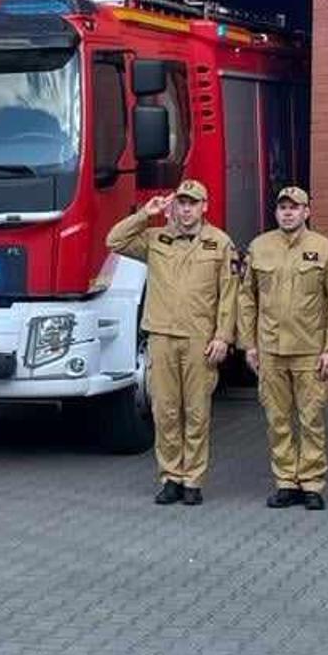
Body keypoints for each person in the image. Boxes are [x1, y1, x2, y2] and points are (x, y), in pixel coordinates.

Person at [106, 179, 239, 506]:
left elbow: (229, 295)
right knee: (165, 411)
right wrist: (145, 214)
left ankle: (193, 479)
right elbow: (114, 241)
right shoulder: (156, 238)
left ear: (204, 206)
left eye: (192, 203)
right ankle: (170, 477)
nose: (186, 209)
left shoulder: (220, 244)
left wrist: (223, 335)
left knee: (196, 411)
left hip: (199, 338)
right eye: (181, 203)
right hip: (162, 335)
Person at [240, 187, 328, 510]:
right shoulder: (259, 247)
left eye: (295, 208)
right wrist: (248, 344)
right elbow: (246, 298)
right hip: (271, 349)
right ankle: (286, 481)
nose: (288, 213)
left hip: (310, 351)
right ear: (276, 212)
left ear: (307, 212)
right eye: (283, 207)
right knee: (278, 419)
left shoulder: (324, 249)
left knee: (311, 418)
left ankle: (312, 483)